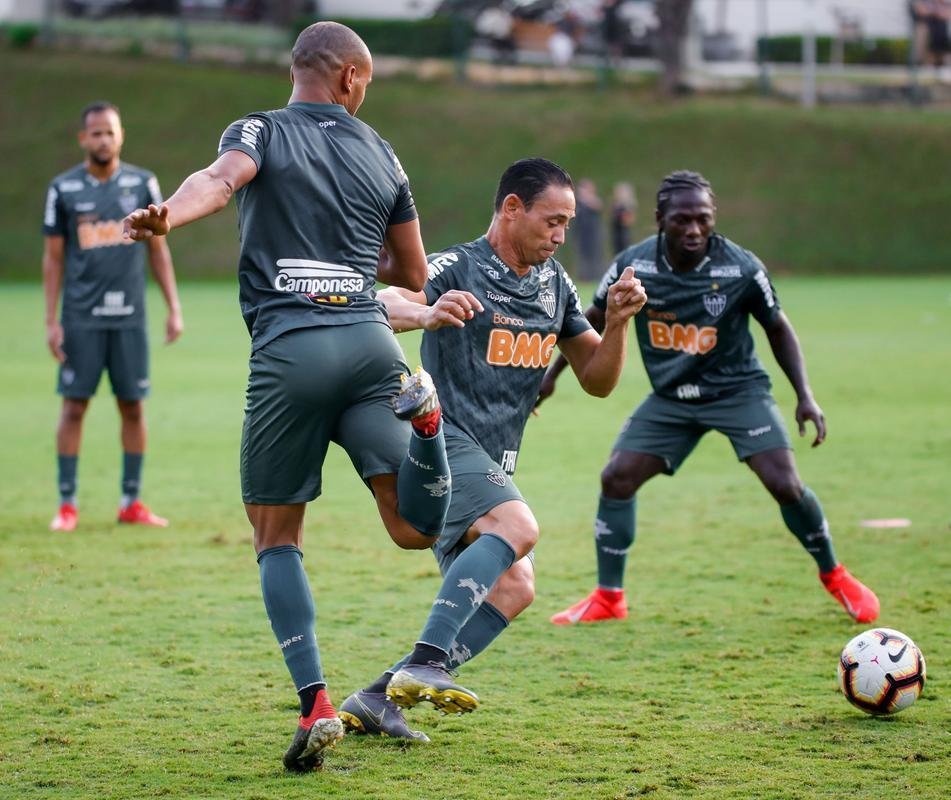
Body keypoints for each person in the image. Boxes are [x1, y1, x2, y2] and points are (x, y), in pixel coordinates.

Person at [123, 22, 453, 772]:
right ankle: (429, 425)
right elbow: (412, 274)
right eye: (366, 83)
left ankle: (316, 705)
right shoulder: (384, 153)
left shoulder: (260, 130)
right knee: (412, 527)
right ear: (349, 77)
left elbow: (218, 181)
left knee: (276, 537)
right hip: (372, 345)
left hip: (292, 352)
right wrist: (349, 266)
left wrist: (166, 215)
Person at [335, 158, 647, 742]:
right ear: (511, 209)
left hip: (492, 462)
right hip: (440, 443)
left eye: (568, 222)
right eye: (552, 221)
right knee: (518, 526)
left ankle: (377, 698)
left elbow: (597, 380)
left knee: (515, 586)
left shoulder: (555, 285)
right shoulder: (459, 267)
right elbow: (382, 302)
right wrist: (426, 312)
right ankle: (428, 662)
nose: (561, 235)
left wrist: (618, 324)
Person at [541, 170, 879, 626]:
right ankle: (608, 597)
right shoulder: (633, 266)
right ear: (660, 219)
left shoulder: (741, 267)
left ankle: (835, 575)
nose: (694, 229)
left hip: (737, 391)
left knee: (784, 483)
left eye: (703, 218)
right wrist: (552, 376)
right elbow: (592, 318)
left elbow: (777, 328)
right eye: (682, 219)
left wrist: (805, 396)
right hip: (671, 398)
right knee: (616, 478)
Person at [43, 101, 183, 533]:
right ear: (83, 139)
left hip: (129, 318)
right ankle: (67, 505)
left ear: (121, 136)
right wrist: (51, 320)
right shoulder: (63, 189)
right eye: (96, 133)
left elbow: (158, 251)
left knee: (133, 407)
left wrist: (173, 307)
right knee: (74, 406)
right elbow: (53, 259)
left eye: (110, 132)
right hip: (81, 319)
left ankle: (131, 502)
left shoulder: (143, 183)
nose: (103, 139)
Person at [574, 178, 605, 280]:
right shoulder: (578, 203)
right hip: (582, 234)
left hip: (594, 235)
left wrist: (586, 198)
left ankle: (597, 276)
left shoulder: (593, 201)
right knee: (583, 257)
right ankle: (585, 277)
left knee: (595, 256)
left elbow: (598, 206)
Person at [610, 181, 637, 254]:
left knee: (624, 251)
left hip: (623, 233)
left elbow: (629, 221)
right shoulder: (616, 205)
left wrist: (623, 216)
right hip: (616, 232)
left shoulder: (627, 206)